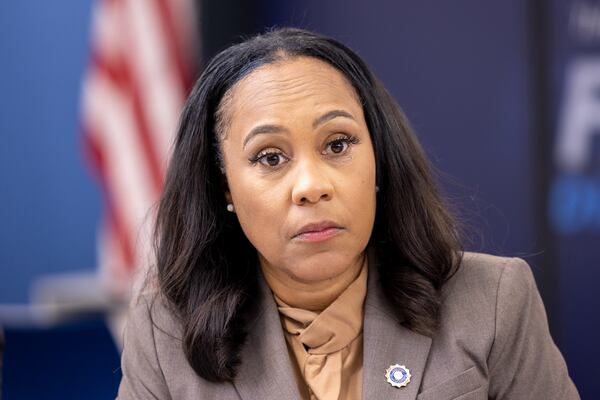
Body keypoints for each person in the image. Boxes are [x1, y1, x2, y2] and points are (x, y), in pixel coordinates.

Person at [117, 28, 579, 399]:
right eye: (270, 158)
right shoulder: (166, 331)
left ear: (379, 159)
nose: (312, 186)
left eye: (337, 145)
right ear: (224, 188)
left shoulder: (493, 301)